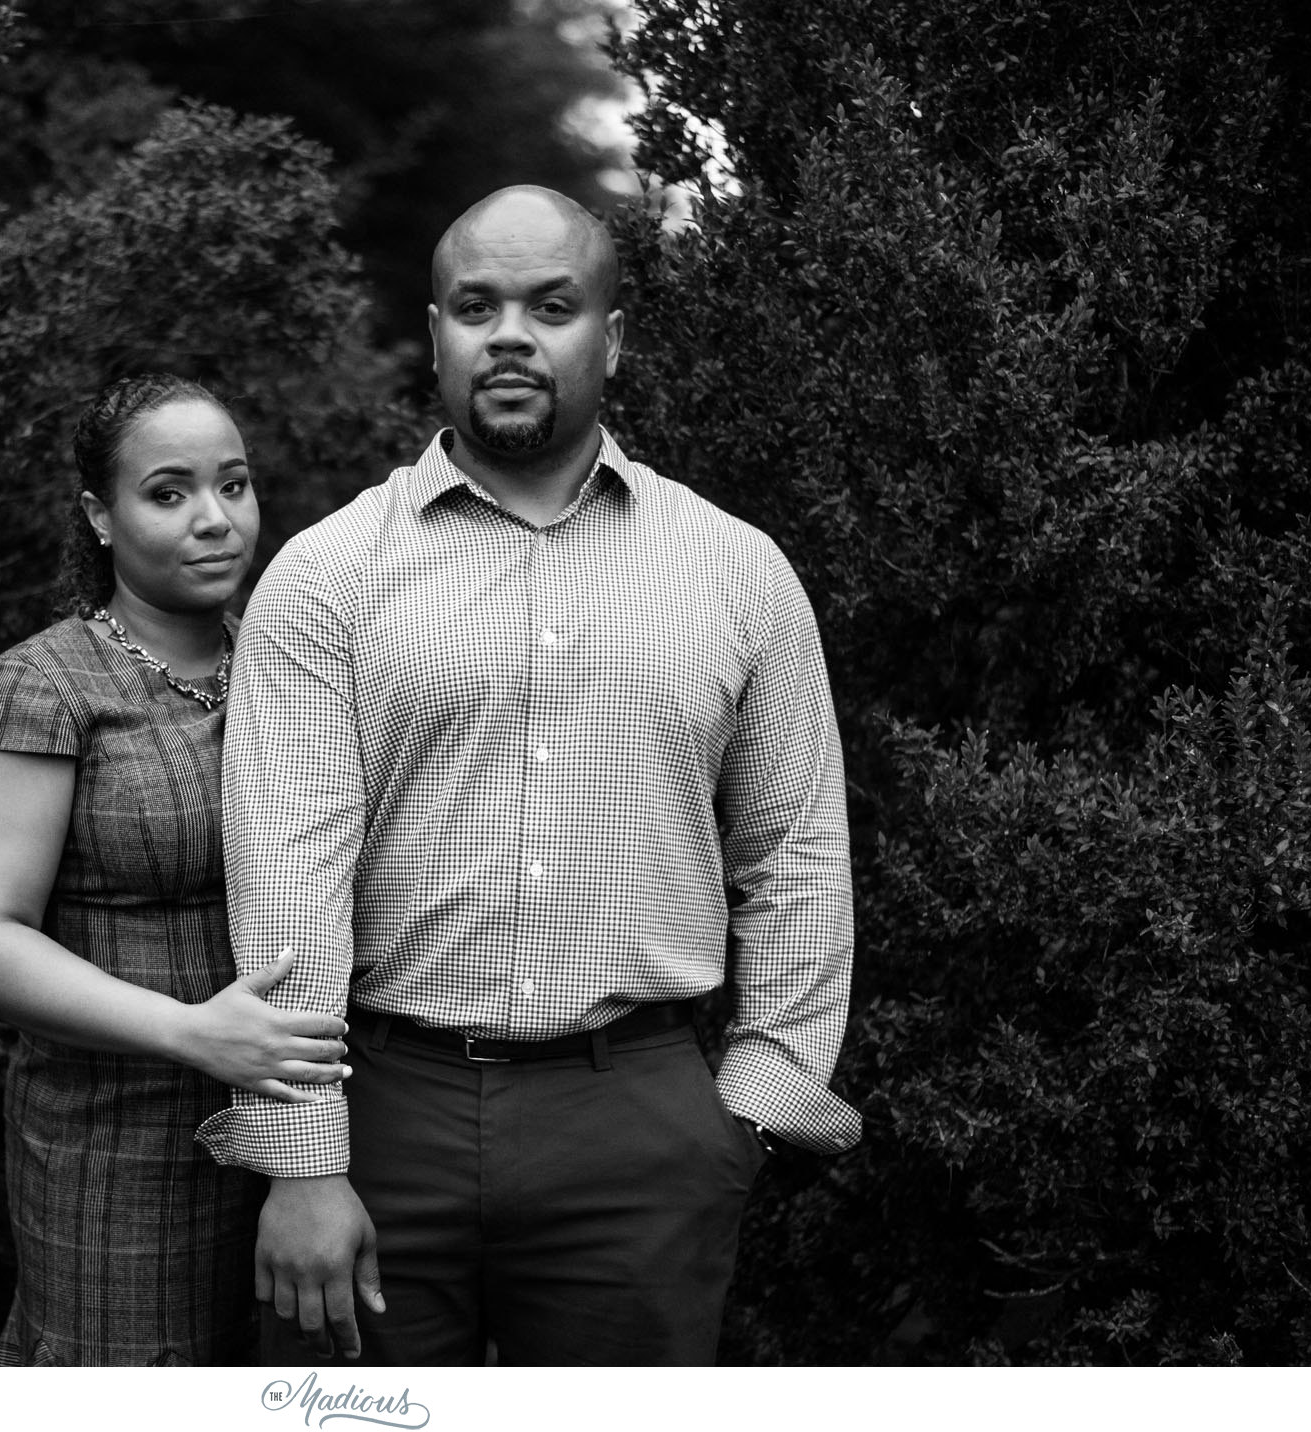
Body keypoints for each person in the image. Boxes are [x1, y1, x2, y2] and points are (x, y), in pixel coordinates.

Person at [197, 187, 862, 1365]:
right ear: (437, 332)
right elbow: (286, 884)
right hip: (381, 1116)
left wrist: (746, 1111)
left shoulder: (735, 572)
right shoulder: (326, 577)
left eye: (550, 306)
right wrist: (301, 1161)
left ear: (609, 338)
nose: (508, 334)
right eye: (475, 306)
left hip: (639, 1119)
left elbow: (794, 855)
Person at [0, 373, 350, 1366]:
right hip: (114, 1148)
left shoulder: (287, 665)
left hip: (297, 1133)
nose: (214, 520)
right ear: (100, 515)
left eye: (233, 485)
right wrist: (191, 1031)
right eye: (168, 493)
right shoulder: (42, 686)